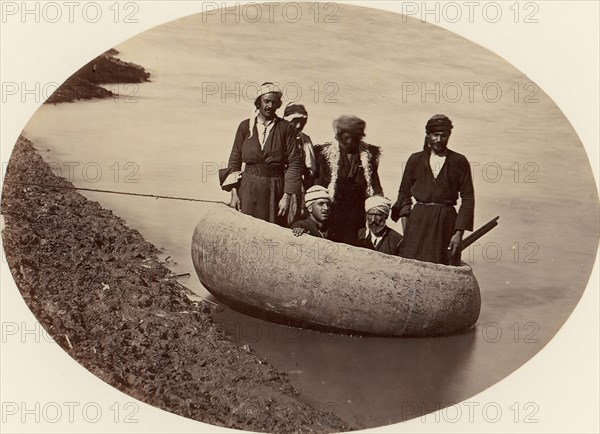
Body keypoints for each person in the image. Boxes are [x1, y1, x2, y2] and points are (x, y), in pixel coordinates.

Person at [391, 114, 474, 265]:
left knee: (443, 264)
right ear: (428, 135)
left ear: (449, 136)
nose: (439, 140)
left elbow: (468, 199)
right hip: (418, 221)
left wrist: (458, 233)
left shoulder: (459, 161)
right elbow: (404, 193)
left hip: (445, 222)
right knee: (412, 265)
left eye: (443, 135)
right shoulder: (415, 159)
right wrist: (407, 225)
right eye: (435, 135)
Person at [220, 82, 303, 226]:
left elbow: (294, 163)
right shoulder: (245, 126)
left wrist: (287, 196)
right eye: (267, 101)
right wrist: (234, 193)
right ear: (258, 102)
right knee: (245, 228)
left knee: (272, 230)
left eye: (274, 102)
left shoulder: (285, 128)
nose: (270, 106)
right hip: (248, 188)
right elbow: (235, 159)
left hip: (275, 189)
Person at [313, 115, 383, 245]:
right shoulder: (325, 154)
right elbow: (318, 184)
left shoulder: (368, 156)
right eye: (346, 137)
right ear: (339, 135)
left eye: (354, 138)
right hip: (332, 212)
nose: (350, 141)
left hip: (358, 213)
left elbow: (375, 186)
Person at [283, 102, 317, 222]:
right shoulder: (277, 137)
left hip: (298, 188)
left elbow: (311, 168)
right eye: (295, 121)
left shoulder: (305, 140)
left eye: (302, 123)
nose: (298, 126)